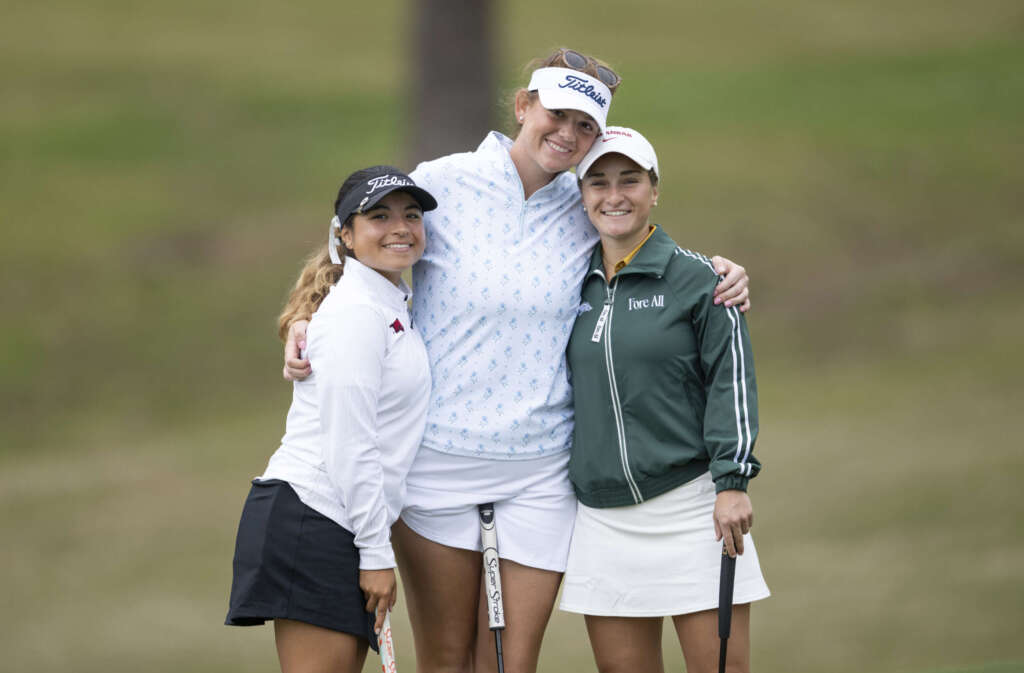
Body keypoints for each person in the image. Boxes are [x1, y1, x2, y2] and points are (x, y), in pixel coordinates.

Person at [281, 49, 753, 673]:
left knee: (510, 664)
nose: (569, 134)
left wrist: (719, 270)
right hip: (437, 463)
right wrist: (307, 317)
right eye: (557, 115)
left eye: (586, 126)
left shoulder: (583, 202)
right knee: (447, 660)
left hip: (540, 472)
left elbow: (637, 246)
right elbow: (369, 246)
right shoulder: (444, 181)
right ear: (523, 107)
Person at [558, 127, 769, 673]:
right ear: (581, 196)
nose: (614, 195)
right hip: (603, 520)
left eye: (630, 180)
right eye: (598, 183)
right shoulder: (563, 282)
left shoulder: (702, 280)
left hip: (694, 510)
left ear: (654, 189)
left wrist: (733, 482)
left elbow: (732, 381)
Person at [225, 166, 437, 673]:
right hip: (315, 518)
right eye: (379, 216)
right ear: (345, 233)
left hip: (334, 520)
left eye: (412, 214)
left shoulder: (386, 303)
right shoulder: (355, 313)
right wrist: (376, 553)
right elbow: (351, 445)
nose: (400, 227)